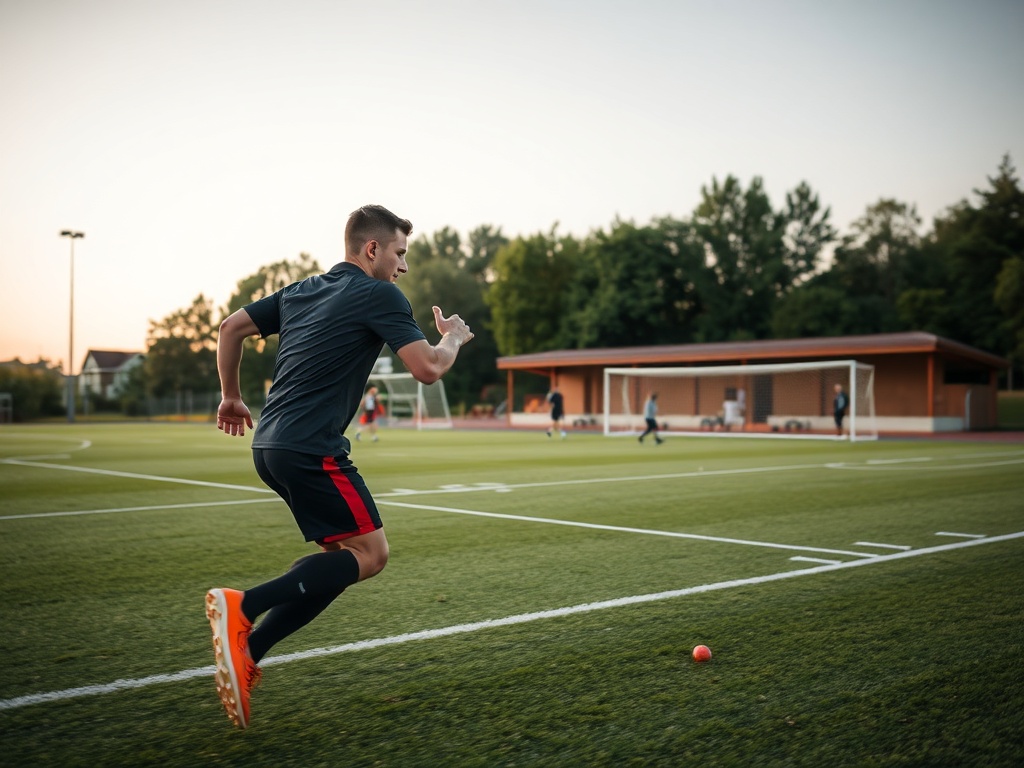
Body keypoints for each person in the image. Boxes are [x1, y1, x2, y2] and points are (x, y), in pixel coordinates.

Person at [207, 204, 474, 729]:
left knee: (338, 563)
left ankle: (249, 653)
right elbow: (428, 368)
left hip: (269, 446)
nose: (403, 267)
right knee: (371, 555)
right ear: (372, 249)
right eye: (399, 253)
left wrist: (230, 396)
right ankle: (243, 607)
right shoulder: (379, 294)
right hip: (311, 447)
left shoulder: (301, 290)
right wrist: (453, 338)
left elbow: (230, 327)